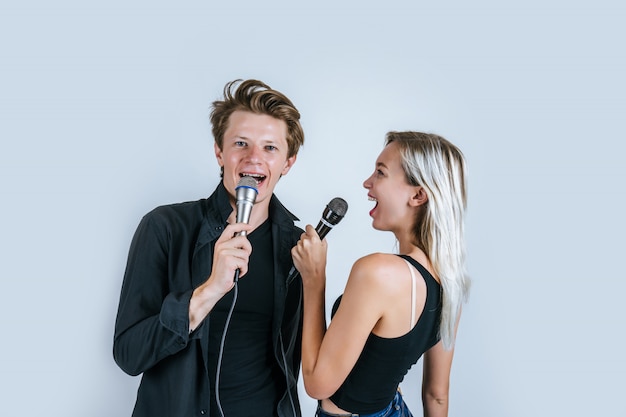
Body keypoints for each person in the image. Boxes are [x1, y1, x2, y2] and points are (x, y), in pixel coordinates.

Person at [113, 79, 306, 417]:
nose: (254, 158)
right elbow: (129, 355)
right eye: (241, 143)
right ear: (219, 151)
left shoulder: (296, 249)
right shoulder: (165, 228)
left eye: (270, 148)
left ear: (288, 162)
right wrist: (207, 292)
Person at [291, 131, 471, 417]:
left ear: (418, 194)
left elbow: (317, 384)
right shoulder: (450, 282)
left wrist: (314, 280)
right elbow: (437, 396)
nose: (367, 182)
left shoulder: (377, 272)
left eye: (381, 173)